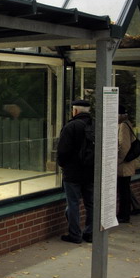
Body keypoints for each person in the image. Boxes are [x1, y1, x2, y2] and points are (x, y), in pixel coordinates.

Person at [56, 99, 95, 244]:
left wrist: (63, 165)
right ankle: (89, 233)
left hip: (73, 173)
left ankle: (75, 234)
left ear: (75, 111)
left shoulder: (71, 127)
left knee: (73, 203)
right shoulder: (96, 125)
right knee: (90, 203)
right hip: (91, 171)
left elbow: (63, 151)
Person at [117, 105, 139, 223]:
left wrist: (116, 161)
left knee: (123, 190)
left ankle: (124, 214)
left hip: (123, 165)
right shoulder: (126, 124)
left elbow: (124, 147)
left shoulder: (123, 126)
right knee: (125, 189)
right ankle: (134, 208)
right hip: (125, 164)